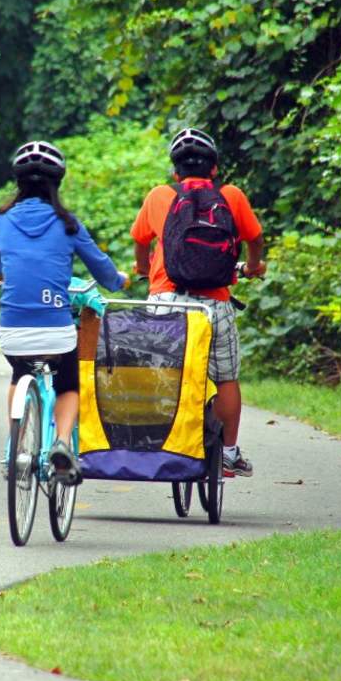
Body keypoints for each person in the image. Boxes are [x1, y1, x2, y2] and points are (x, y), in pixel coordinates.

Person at [0, 140, 128, 483]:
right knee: (68, 383)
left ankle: (14, 445)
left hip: (12, 333)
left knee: (19, 375)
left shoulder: (3, 221)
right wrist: (119, 281)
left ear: (18, 183)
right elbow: (103, 271)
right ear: (56, 183)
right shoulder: (68, 224)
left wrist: (0, 272)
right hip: (56, 332)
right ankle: (62, 443)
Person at [130, 128, 266, 477]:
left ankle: (155, 441)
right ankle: (230, 453)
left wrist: (145, 269)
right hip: (213, 305)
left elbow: (140, 243)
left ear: (175, 172)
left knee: (162, 373)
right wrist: (252, 267)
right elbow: (255, 237)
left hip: (166, 302)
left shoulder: (160, 195)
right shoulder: (231, 195)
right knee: (225, 378)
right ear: (215, 169)